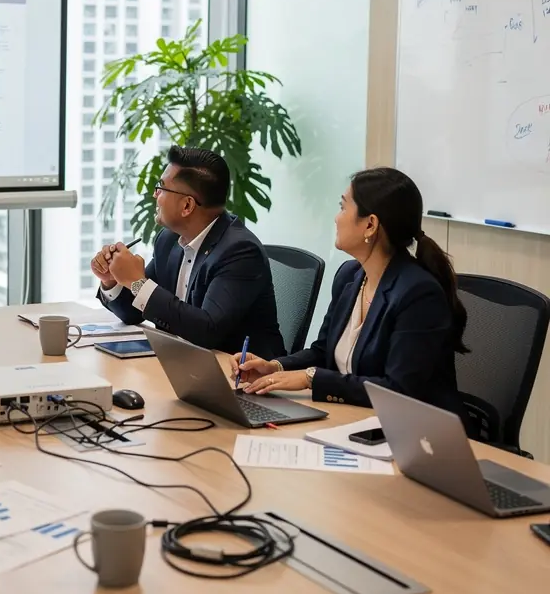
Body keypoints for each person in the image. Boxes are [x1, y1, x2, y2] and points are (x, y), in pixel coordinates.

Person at [232, 167, 465, 412]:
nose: (336, 217)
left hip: (418, 432)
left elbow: (398, 391)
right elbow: (323, 352)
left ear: (370, 225)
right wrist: (275, 367)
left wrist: (311, 379)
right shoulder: (349, 276)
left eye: (343, 207)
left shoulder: (418, 294)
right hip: (352, 418)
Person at [91, 145, 285, 359]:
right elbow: (134, 311)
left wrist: (138, 283)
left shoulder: (240, 252)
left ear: (187, 205)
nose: (155, 194)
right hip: (184, 366)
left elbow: (207, 331)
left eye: (162, 188)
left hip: (243, 379)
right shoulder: (168, 240)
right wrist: (113, 281)